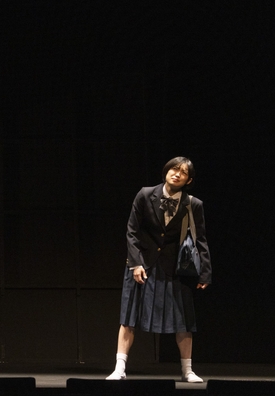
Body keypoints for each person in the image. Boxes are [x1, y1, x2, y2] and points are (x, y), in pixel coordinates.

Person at [106, 157, 211, 382]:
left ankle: (187, 370)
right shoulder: (145, 194)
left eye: (183, 172)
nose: (177, 174)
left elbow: (200, 238)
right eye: (174, 169)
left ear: (188, 180)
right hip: (142, 264)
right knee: (128, 317)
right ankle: (119, 368)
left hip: (175, 267)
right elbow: (132, 231)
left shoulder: (193, 204)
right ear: (166, 171)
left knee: (183, 320)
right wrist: (135, 264)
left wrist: (205, 272)